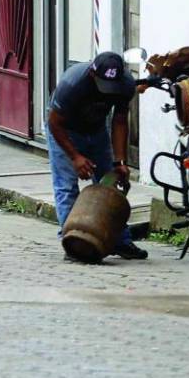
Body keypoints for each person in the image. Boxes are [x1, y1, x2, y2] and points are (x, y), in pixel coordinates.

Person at [45, 51, 148, 261]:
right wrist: (75, 157)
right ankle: (74, 244)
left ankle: (121, 241)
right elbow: (54, 123)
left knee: (109, 184)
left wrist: (120, 161)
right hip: (66, 132)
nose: (108, 91)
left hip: (97, 131)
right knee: (66, 187)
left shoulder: (126, 85)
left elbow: (119, 121)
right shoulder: (73, 83)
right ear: (92, 74)